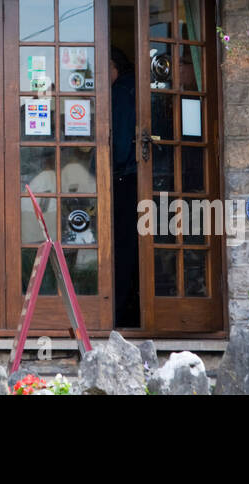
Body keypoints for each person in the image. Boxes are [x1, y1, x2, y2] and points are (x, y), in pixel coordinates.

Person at [110, 46, 139, 327]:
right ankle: (128, 309)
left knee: (121, 248)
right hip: (134, 177)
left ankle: (117, 312)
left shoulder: (120, 92)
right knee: (129, 246)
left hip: (124, 178)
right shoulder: (134, 89)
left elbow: (119, 143)